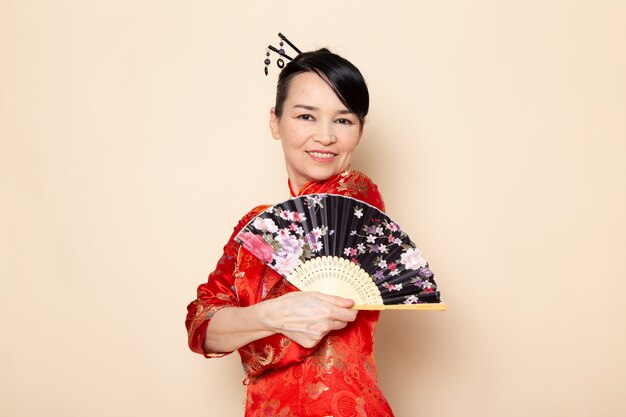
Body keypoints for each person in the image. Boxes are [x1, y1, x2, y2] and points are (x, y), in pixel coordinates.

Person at [186, 46, 394, 416]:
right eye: (306, 116)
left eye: (343, 120)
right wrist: (274, 316)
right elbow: (201, 325)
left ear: (361, 131)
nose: (325, 136)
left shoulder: (357, 198)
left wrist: (245, 323)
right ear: (275, 121)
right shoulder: (254, 228)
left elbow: (320, 311)